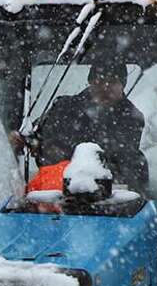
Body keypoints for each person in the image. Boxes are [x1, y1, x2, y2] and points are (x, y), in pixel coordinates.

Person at [16, 61, 149, 190]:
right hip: (52, 192)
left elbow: (119, 158)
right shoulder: (63, 107)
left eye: (112, 82)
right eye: (99, 80)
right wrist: (22, 141)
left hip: (107, 195)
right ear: (90, 83)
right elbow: (33, 136)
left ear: (123, 85)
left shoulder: (131, 118)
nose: (105, 87)